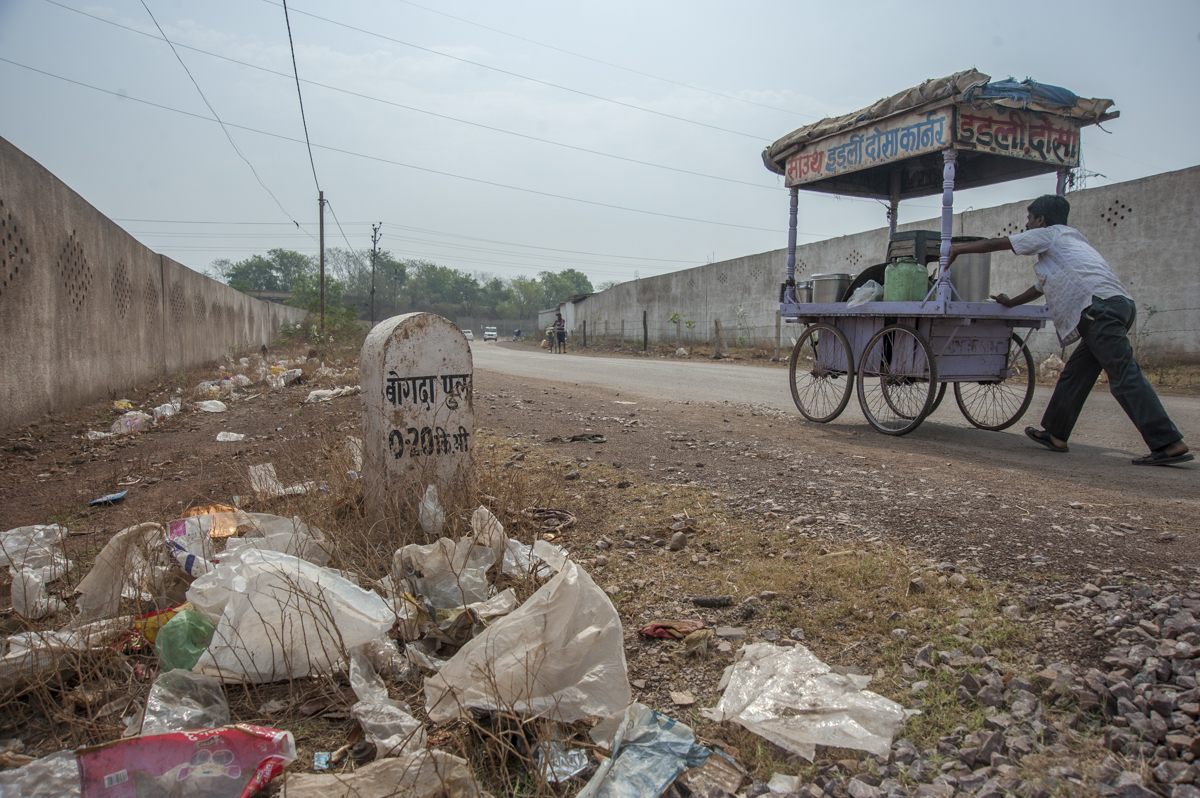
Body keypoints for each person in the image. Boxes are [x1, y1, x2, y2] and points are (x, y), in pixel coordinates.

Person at [946, 195, 1191, 466]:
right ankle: (1056, 434)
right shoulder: (1072, 241)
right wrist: (1011, 302)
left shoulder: (1049, 234)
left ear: (1040, 219)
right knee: (1076, 374)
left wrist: (958, 250)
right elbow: (1041, 287)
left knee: (1124, 376)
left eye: (1029, 219)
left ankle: (1168, 442)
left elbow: (999, 243)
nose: (1027, 225)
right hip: (1116, 305)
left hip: (1098, 310)